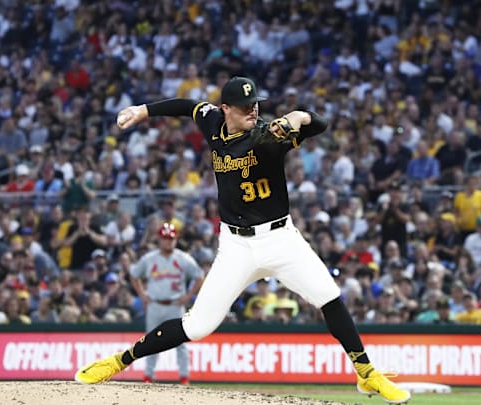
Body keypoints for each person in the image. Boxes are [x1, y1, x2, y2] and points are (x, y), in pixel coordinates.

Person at [74, 76, 411, 403]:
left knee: (329, 296)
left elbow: (318, 125)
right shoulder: (212, 122)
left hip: (280, 238)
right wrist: (143, 110)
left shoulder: (267, 136)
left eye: (255, 104)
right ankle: (120, 361)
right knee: (197, 326)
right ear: (225, 109)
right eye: (245, 106)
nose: (253, 110)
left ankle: (366, 373)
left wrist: (299, 116)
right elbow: (186, 106)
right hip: (236, 245)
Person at [130, 223, 205, 385]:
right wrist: (142, 294)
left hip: (175, 305)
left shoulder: (183, 259)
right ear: (159, 239)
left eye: (171, 238)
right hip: (155, 305)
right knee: (150, 341)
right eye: (165, 238)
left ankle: (184, 377)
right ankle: (148, 376)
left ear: (176, 239)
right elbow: (134, 275)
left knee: (180, 341)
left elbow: (199, 276)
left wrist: (189, 296)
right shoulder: (149, 259)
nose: (168, 242)